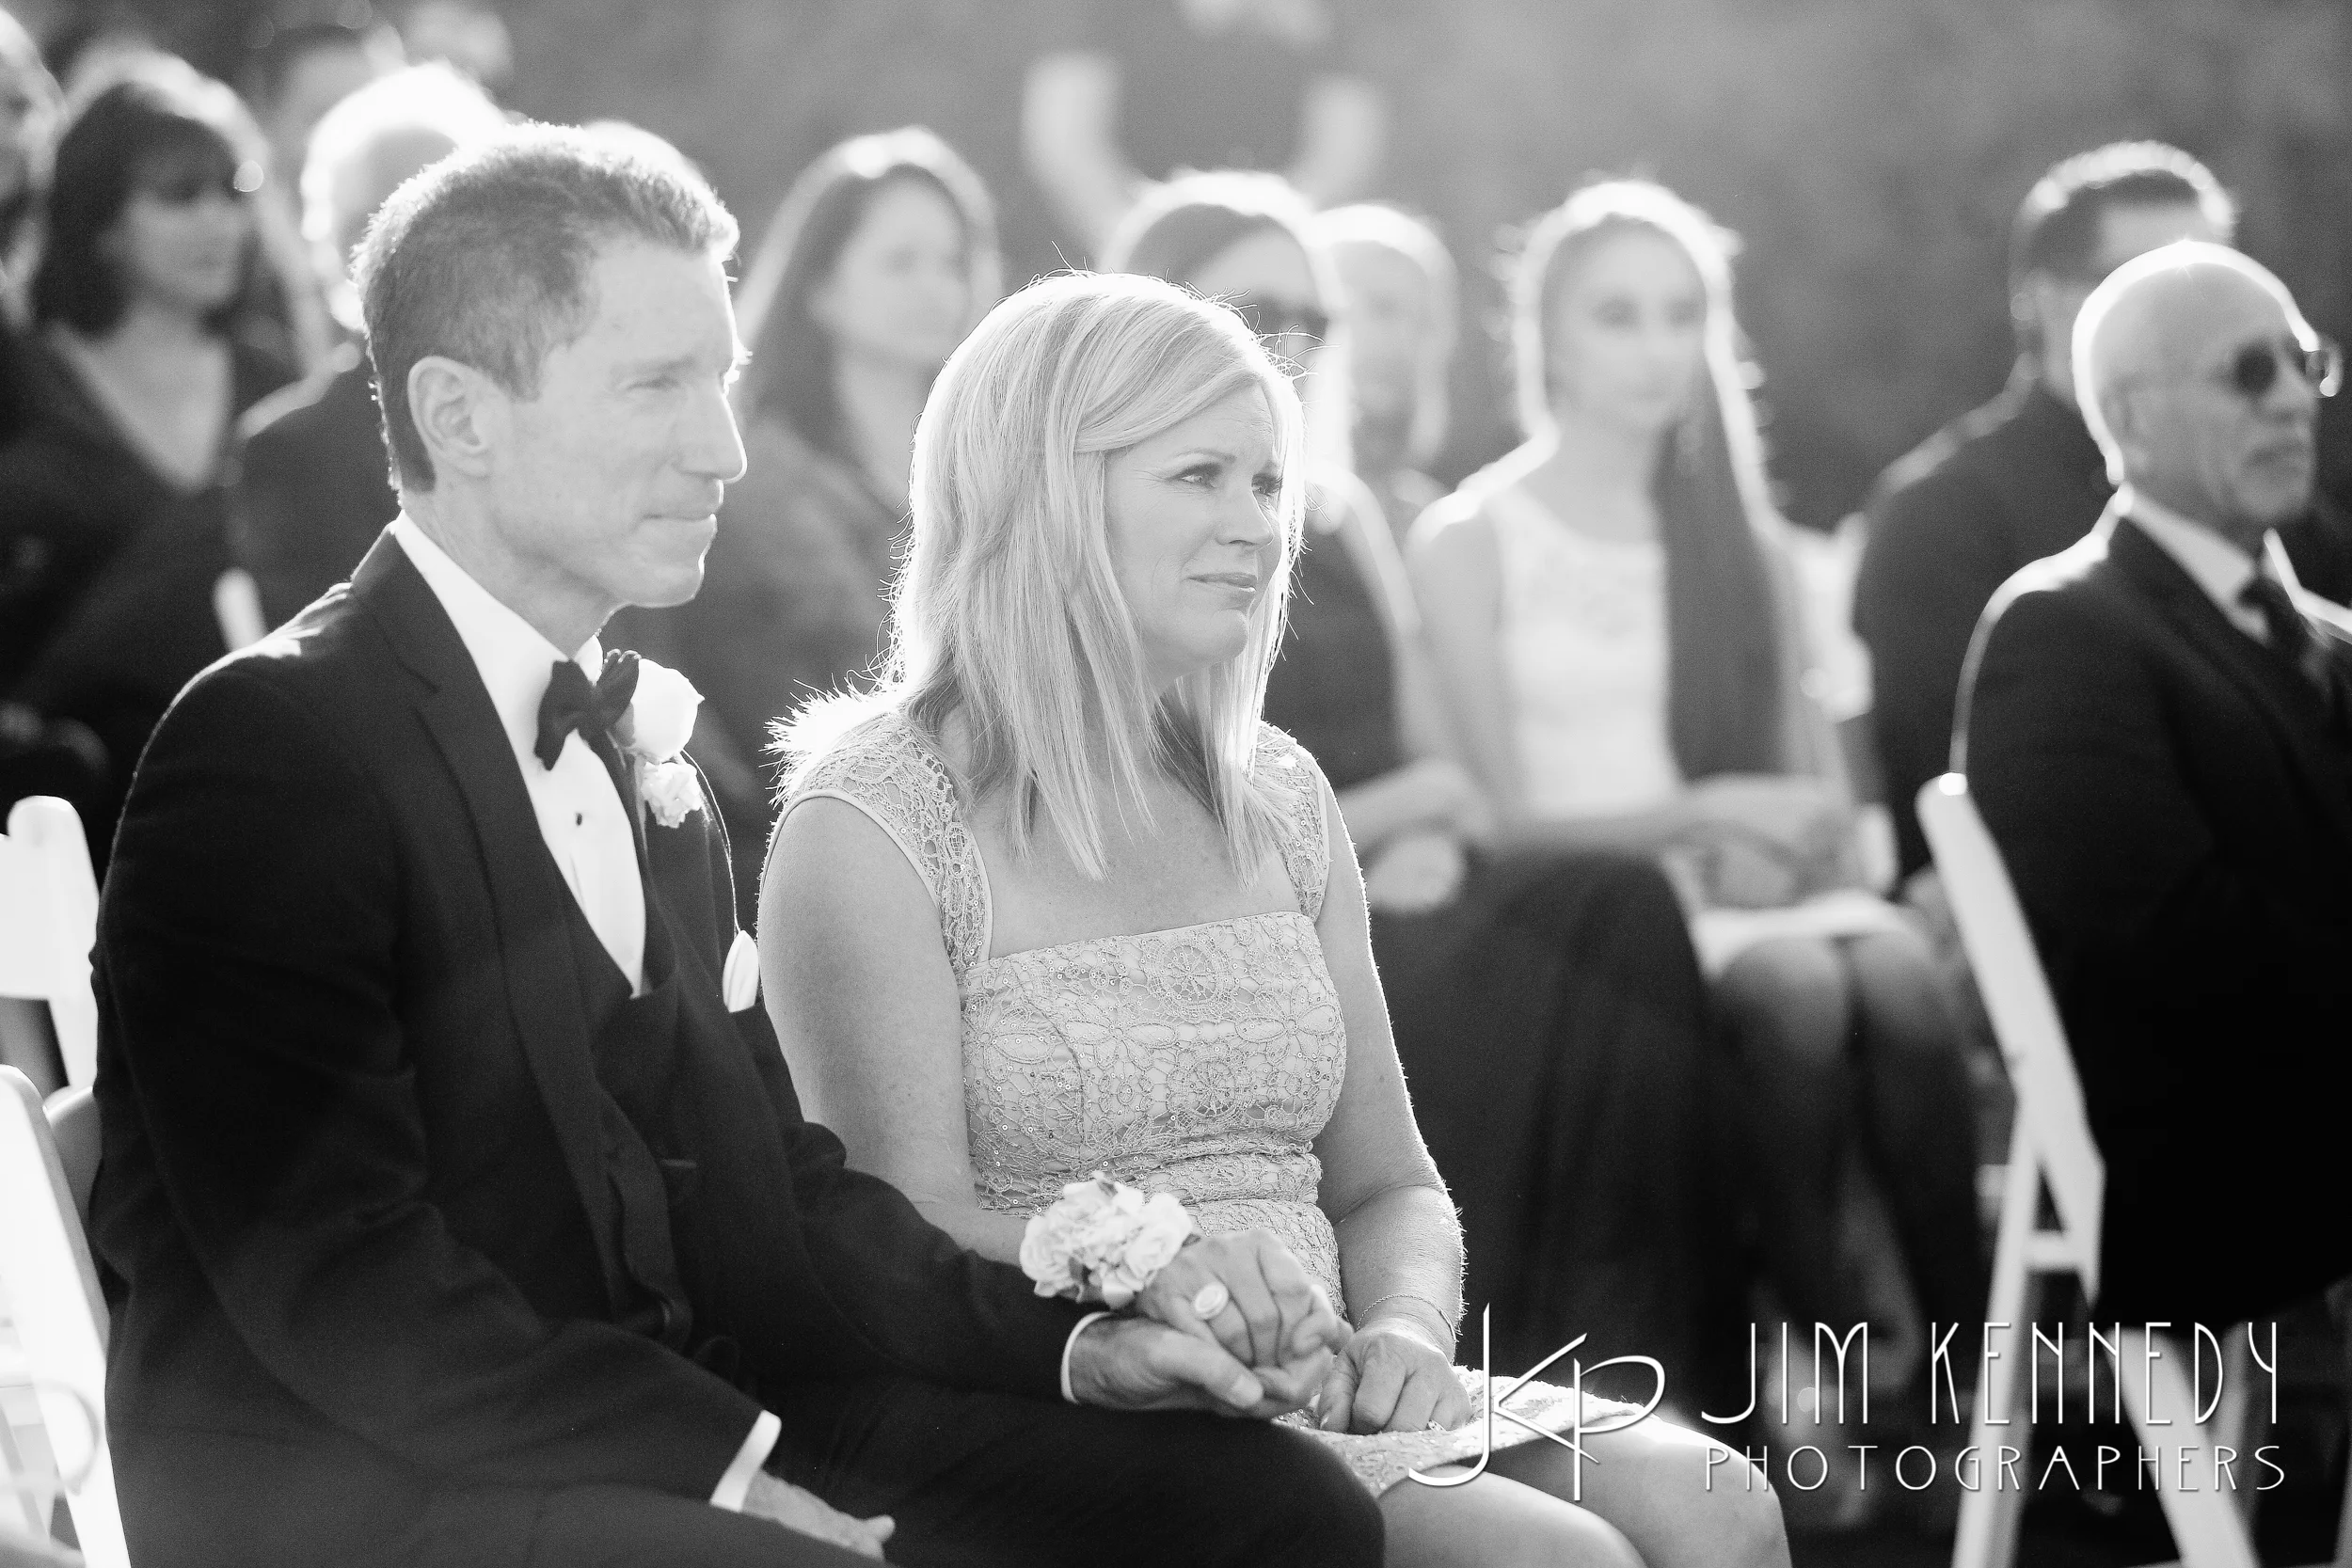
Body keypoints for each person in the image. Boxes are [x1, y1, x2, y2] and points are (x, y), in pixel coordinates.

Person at [88, 123, 1384, 1568]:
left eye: (724, 380)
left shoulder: (649, 754)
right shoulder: (270, 750)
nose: (726, 448)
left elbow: (786, 1200)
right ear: (460, 415)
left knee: (1275, 1504)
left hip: (686, 1419)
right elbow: (350, 1287)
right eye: (659, 384)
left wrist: (1079, 1345)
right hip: (370, 1494)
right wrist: (723, 1471)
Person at [767, 267, 1788, 1568]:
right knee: (1556, 1558)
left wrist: (1405, 1334)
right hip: (1089, 1396)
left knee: (1719, 1498)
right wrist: (1155, 1271)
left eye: (1264, 482)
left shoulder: (1282, 795)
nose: (1255, 524)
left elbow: (1391, 1181)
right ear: (1041, 491)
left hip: (1337, 1376)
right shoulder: (874, 819)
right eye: (1199, 475)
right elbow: (900, 1233)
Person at [1102, 172, 1733, 1410]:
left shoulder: (1334, 513)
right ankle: (1547, 1342)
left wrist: (1430, 821)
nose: (1289, 339)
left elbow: (1441, 756)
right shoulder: (1141, 526)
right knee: (1588, 939)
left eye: (1312, 314)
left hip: (1391, 868)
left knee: (1621, 909)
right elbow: (1166, 798)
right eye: (1254, 306)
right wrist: (1378, 828)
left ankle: (1657, 1367)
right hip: (1253, 903)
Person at [1410, 182, 1986, 1437]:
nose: (1656, 347)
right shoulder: (1472, 535)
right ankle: (1827, 1371)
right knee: (1801, 992)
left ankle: (1967, 1375)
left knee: (1899, 976)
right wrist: (1700, 815)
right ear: (1549, 335)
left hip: (1750, 895)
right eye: (1617, 315)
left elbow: (1820, 800)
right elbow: (1494, 822)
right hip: (1598, 912)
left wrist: (1789, 844)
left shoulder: (1748, 542)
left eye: (1682, 315)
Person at [1957, 241, 2352, 1330]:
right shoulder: (2063, 631)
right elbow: (2172, 945)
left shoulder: (2332, 640)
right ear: (2130, 416)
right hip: (2222, 1153)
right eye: (2247, 371)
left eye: (2304, 363)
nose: (2292, 402)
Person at [1851, 144, 2233, 885]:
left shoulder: (2267, 505)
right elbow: (1968, 797)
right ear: (2052, 298)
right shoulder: (1939, 518)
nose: (2204, 317)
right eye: (2152, 284)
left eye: (2219, 280)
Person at [671, 127, 997, 911]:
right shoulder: (756, 483)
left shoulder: (993, 468)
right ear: (820, 287)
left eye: (952, 262)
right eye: (900, 261)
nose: (936, 287)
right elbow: (798, 719)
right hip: (842, 865)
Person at [0, 61, 295, 861]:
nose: (217, 220)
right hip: (77, 828)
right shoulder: (22, 384)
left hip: (275, 807)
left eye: (233, 188)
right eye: (178, 194)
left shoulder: (278, 378)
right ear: (99, 220)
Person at [230, 61, 505, 626]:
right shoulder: (291, 451)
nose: (428, 252)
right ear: (345, 245)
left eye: (467, 218)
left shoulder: (557, 407)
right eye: (389, 222)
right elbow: (327, 648)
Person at [1024, 0, 1384, 255]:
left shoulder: (1330, 17)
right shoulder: (1098, 12)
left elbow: (1341, 159)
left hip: (1269, 266)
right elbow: (1068, 148)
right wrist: (1149, 255)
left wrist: (1263, 251)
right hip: (1120, 265)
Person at [1311, 201, 1456, 545]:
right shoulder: (1266, 510)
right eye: (1382, 308)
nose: (1405, 340)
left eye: (1424, 322)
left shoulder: (1439, 527)